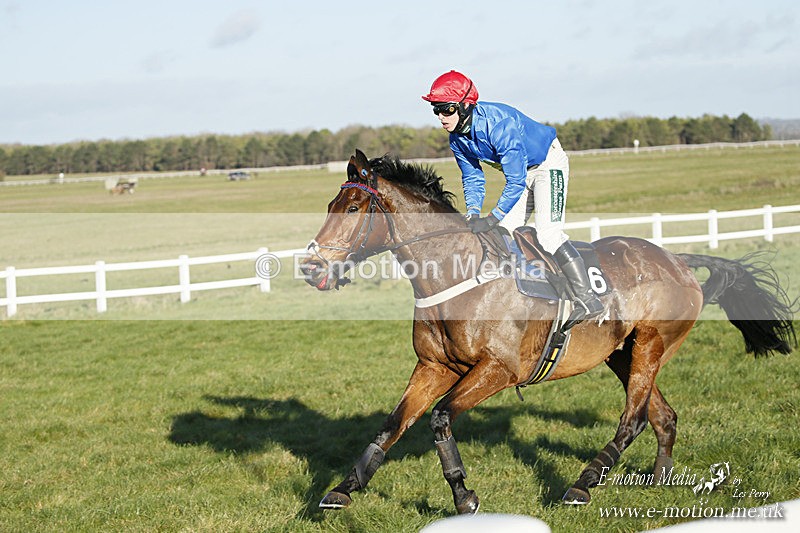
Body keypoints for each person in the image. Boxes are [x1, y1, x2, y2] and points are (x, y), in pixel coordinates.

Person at [422, 70, 603, 328]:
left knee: (548, 234)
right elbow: (473, 178)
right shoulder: (457, 139)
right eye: (435, 110)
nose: (441, 117)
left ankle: (587, 299)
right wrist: (473, 212)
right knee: (504, 233)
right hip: (521, 173)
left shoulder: (499, 126)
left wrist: (492, 217)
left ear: (465, 105)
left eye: (446, 109)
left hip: (546, 164)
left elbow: (515, 182)